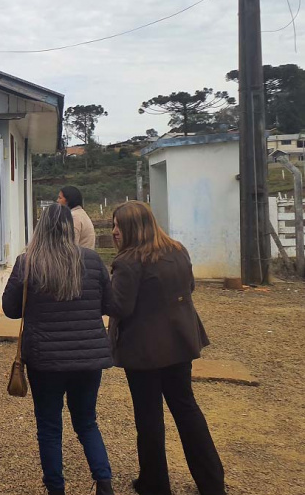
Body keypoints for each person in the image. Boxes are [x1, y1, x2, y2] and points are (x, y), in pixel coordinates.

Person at [108, 201, 225, 495]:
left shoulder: (128, 262)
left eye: (118, 226)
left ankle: (154, 484)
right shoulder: (177, 250)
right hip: (179, 343)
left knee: (149, 418)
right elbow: (190, 287)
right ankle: (212, 483)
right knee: (186, 409)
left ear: (132, 228)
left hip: (143, 351)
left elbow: (120, 305)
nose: (114, 232)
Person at [2, 204, 115, 495]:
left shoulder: (28, 262)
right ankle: (104, 482)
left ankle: (56, 488)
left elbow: (11, 309)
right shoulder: (91, 259)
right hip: (88, 358)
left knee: (49, 427)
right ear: (70, 228)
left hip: (45, 359)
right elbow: (110, 305)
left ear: (41, 228)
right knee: (87, 422)